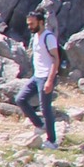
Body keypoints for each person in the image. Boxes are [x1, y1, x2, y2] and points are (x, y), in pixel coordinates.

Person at [16, 9, 61, 148]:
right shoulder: (35, 36)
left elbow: (55, 59)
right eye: (28, 24)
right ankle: (40, 125)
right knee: (20, 99)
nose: (29, 27)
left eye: (32, 24)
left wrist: (50, 81)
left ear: (41, 22)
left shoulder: (49, 37)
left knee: (45, 109)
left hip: (46, 77)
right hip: (37, 76)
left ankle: (52, 141)